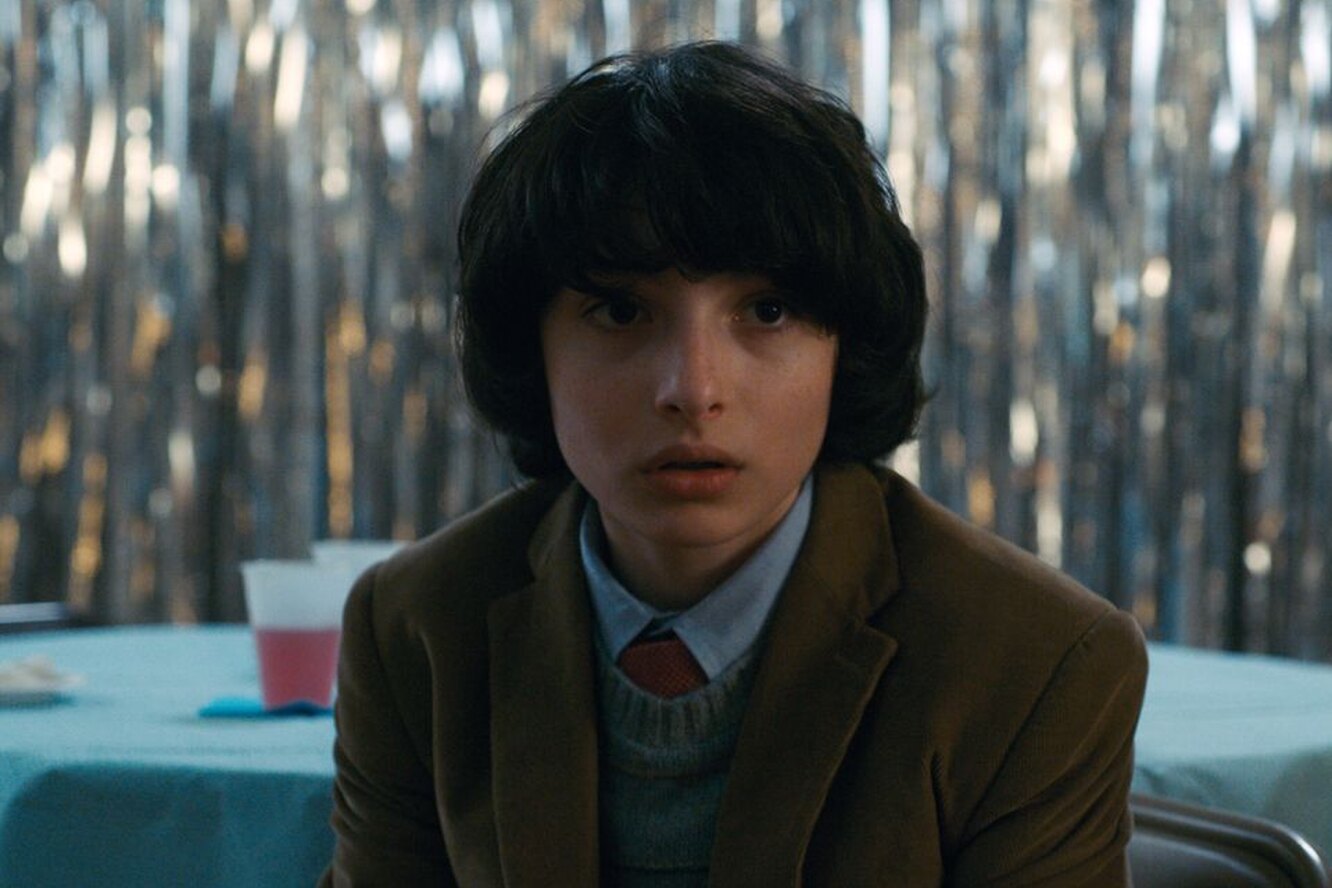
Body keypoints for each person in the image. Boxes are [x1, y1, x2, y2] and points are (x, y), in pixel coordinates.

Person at [323, 41, 1148, 886]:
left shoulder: (1036, 662)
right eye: (620, 312)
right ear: (532, 350)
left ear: (845, 346)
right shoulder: (416, 628)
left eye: (767, 310)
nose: (693, 390)